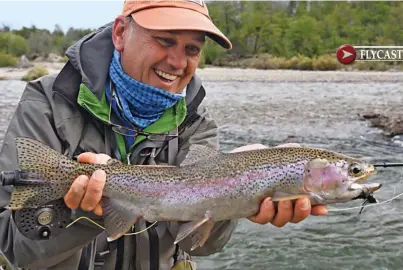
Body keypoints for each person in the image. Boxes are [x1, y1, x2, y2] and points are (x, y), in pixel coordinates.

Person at [0, 0, 328, 269]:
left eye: (192, 49)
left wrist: (240, 197)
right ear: (119, 33)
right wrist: (83, 212)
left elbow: (196, 245)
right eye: (165, 40)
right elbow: (15, 251)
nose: (177, 61)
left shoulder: (197, 121)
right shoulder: (49, 103)